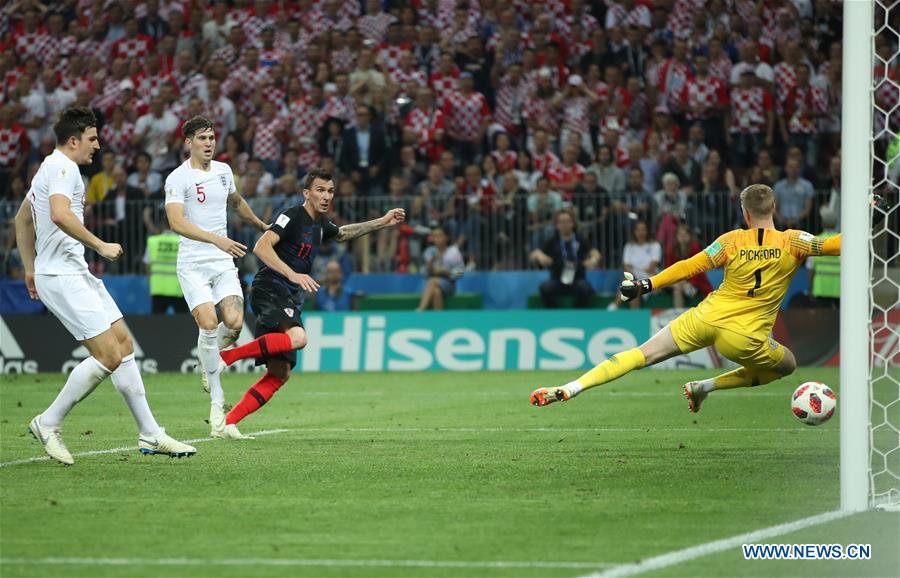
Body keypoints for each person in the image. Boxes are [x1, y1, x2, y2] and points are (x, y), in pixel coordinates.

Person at [531, 184, 841, 413]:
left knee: (641, 355)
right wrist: (863, 213)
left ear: (745, 213)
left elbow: (690, 265)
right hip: (743, 337)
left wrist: (646, 284)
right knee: (787, 365)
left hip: (704, 317)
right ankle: (707, 386)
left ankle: (572, 386)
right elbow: (836, 245)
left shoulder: (730, 241)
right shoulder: (794, 241)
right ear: (774, 208)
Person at [13, 106, 195, 465]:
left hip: (71, 272)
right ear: (74, 140)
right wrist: (100, 245)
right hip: (63, 277)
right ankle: (48, 422)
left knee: (124, 345)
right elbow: (59, 214)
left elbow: (22, 219)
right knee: (108, 355)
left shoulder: (48, 167)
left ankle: (150, 432)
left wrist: (30, 267)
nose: (97, 146)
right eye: (92, 139)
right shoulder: (63, 168)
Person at [217, 169, 405, 435]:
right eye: (320, 190)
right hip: (270, 286)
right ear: (306, 193)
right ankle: (225, 357)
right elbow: (261, 247)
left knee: (280, 372)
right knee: (299, 338)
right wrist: (293, 274)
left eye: (330, 191)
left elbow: (342, 233)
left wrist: (382, 222)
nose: (326, 196)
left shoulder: (321, 224)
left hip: (289, 294)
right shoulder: (292, 215)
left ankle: (228, 423)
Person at [163, 115, 268, 439]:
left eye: (211, 137)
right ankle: (217, 403)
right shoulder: (178, 178)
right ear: (189, 142)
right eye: (202, 138)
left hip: (222, 260)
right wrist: (216, 239)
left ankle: (208, 356)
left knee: (234, 323)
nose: (208, 143)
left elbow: (235, 202)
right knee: (209, 323)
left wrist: (260, 225)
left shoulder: (223, 171)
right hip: (193, 263)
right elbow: (176, 222)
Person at [530, 209, 601, 308]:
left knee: (585, 288)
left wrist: (593, 260)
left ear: (573, 223)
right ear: (557, 225)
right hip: (557, 280)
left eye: (568, 221)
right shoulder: (552, 240)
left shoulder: (580, 239)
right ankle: (554, 312)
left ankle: (577, 311)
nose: (565, 224)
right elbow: (534, 254)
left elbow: (596, 253)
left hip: (577, 279)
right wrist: (541, 256)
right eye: (562, 222)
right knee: (545, 288)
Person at [415, 224, 465, 312]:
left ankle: (420, 310)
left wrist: (448, 272)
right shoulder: (429, 252)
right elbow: (423, 272)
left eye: (439, 236)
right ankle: (439, 319)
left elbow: (461, 272)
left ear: (447, 237)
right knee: (436, 292)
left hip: (448, 284)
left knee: (432, 281)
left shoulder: (453, 252)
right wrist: (429, 267)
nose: (437, 239)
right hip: (430, 285)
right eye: (434, 236)